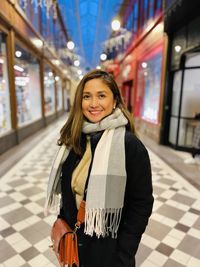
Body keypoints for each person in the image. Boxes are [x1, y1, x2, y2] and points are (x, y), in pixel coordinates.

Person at [45, 70, 154, 267]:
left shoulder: (129, 146)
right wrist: (64, 225)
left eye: (101, 95)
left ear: (114, 101)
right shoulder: (74, 140)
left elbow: (141, 204)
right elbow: (68, 192)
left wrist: (123, 254)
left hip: (109, 253)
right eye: (87, 96)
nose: (93, 104)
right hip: (76, 245)